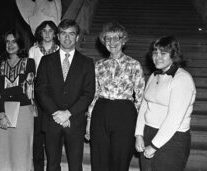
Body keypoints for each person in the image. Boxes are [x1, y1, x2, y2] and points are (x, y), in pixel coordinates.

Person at [35, 19, 95, 171]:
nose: (67, 38)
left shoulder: (87, 63)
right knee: (52, 164)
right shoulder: (46, 61)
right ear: (57, 36)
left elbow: (88, 93)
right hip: (51, 119)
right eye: (63, 34)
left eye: (71, 34)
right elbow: (41, 90)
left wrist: (68, 113)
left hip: (75, 121)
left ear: (77, 37)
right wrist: (57, 114)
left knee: (75, 165)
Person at [86, 21, 145, 171]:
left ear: (123, 40)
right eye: (108, 38)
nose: (112, 42)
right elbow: (93, 95)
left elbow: (140, 97)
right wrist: (88, 122)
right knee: (99, 159)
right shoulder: (98, 65)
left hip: (125, 113)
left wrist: (139, 129)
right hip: (101, 111)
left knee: (120, 159)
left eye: (116, 38)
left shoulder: (134, 65)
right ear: (103, 42)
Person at [135, 36, 196, 171]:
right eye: (155, 53)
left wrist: (155, 145)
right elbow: (144, 106)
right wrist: (139, 134)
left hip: (173, 138)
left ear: (173, 55)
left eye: (163, 53)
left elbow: (174, 119)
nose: (158, 57)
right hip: (148, 131)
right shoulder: (154, 75)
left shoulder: (182, 79)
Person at [0, 29, 35, 171]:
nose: (10, 45)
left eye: (14, 41)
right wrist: (1, 114)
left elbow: (26, 91)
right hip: (1, 111)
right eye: (7, 42)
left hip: (23, 112)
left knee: (22, 153)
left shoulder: (29, 63)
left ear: (20, 43)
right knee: (0, 152)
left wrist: (1, 92)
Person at [29, 20, 59, 171]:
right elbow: (28, 79)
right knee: (37, 137)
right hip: (37, 97)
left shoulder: (60, 50)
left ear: (55, 33)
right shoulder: (33, 50)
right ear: (40, 33)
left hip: (54, 99)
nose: (47, 34)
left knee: (53, 137)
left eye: (50, 31)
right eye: (44, 31)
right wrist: (31, 101)